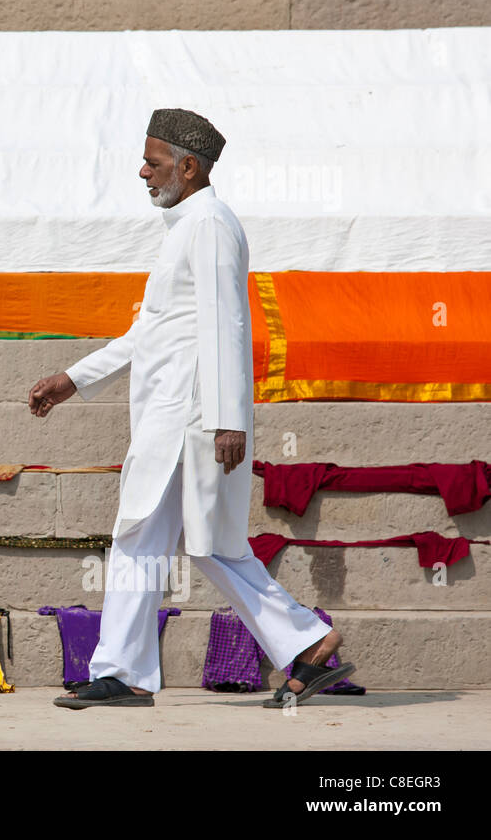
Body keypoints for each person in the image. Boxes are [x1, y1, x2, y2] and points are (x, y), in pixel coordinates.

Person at [29, 108, 354, 709]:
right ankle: (307, 644)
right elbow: (149, 333)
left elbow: (228, 324)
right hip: (178, 419)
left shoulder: (208, 224)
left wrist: (229, 417)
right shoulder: (187, 226)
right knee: (200, 544)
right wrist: (74, 379)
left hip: (190, 421)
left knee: (148, 537)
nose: (143, 173)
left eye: (153, 163)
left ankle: (125, 673)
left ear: (188, 166)